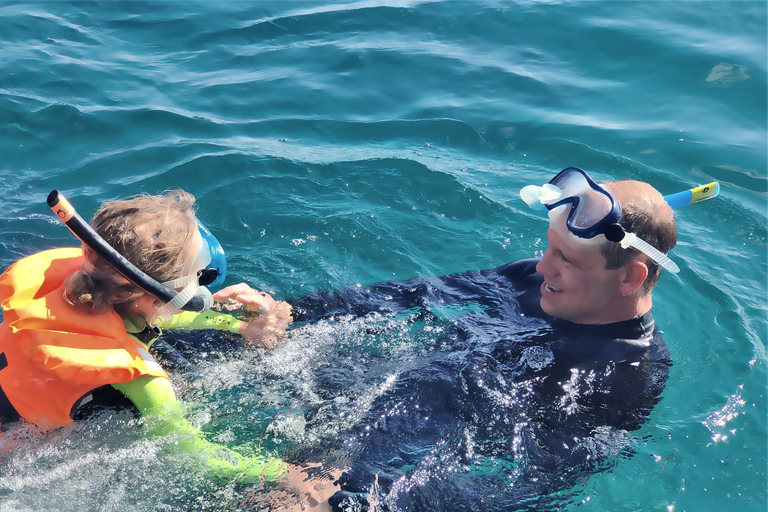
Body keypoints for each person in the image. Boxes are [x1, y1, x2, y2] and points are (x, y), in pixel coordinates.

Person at [286, 168, 679, 511]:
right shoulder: (532, 277)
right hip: (363, 385)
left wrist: (369, 501)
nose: (544, 266)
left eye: (567, 259)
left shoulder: (630, 375)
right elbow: (421, 293)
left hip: (401, 462)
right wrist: (294, 312)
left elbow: (535, 486)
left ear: (630, 277)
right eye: (549, 247)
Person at [0, 189, 335, 506]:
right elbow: (189, 453)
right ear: (157, 295)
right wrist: (287, 474)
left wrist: (239, 325)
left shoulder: (80, 286)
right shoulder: (145, 380)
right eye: (195, 276)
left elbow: (152, 316)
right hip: (16, 452)